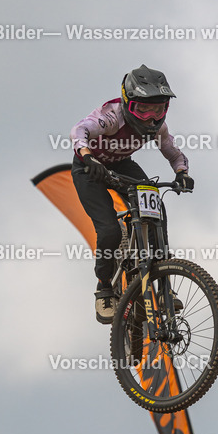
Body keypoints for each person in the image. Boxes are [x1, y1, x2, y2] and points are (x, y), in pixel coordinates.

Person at [70, 64, 194, 323]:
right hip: (89, 169)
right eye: (143, 109)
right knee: (109, 231)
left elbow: (173, 152)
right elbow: (79, 130)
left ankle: (162, 286)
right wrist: (88, 157)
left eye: (158, 109)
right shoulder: (112, 117)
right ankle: (104, 288)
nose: (151, 117)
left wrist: (182, 173)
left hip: (121, 165)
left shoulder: (158, 127)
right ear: (128, 103)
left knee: (156, 210)